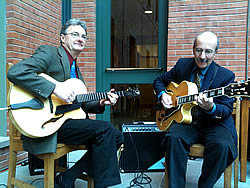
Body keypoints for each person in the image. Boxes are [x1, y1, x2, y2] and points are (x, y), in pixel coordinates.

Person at [7, 18, 124, 188]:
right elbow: (17, 72)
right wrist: (54, 88)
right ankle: (99, 184)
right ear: (63, 38)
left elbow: (79, 104)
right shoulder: (50, 53)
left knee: (117, 136)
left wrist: (101, 102)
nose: (80, 39)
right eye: (75, 34)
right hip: (47, 123)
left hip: (67, 121)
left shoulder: (75, 69)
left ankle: (69, 176)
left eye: (84, 36)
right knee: (106, 130)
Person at [153, 31, 238, 188]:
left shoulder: (226, 77)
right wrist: (163, 94)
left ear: (216, 52)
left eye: (208, 51)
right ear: (193, 49)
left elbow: (226, 109)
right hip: (188, 122)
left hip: (214, 124)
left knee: (223, 145)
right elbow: (159, 80)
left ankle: (205, 185)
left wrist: (211, 107)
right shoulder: (182, 65)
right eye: (199, 50)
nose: (203, 56)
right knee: (173, 138)